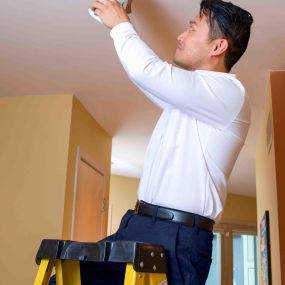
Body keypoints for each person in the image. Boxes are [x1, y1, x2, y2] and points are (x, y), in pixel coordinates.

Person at [58, 1, 253, 284]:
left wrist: (120, 24)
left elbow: (148, 72)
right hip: (138, 224)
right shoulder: (192, 101)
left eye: (191, 28)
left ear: (217, 47)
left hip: (177, 238)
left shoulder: (229, 93)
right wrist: (122, 24)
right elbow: (149, 79)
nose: (180, 36)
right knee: (65, 278)